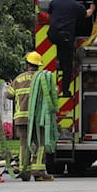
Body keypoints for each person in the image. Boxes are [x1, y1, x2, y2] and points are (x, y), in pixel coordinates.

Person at [6, 51, 59, 181]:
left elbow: (9, 95)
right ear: (38, 65)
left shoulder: (18, 79)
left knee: (24, 144)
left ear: (27, 64)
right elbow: (53, 93)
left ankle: (24, 171)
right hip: (38, 118)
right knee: (40, 143)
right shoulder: (43, 79)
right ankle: (38, 171)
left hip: (21, 118)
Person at [47, 0, 96, 96]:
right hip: (65, 37)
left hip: (53, 35)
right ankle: (65, 90)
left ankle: (59, 60)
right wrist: (92, 8)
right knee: (67, 65)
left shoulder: (54, 2)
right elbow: (87, 14)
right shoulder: (75, 5)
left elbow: (49, 17)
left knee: (61, 48)